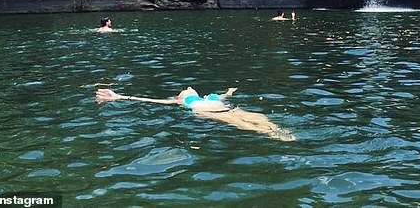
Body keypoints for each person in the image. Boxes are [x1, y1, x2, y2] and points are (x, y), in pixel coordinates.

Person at [95, 86, 295, 141]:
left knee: (259, 117)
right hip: (209, 113)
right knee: (242, 123)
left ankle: (279, 130)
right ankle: (273, 134)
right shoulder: (181, 100)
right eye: (185, 88)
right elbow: (151, 101)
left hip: (226, 107)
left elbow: (224, 97)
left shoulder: (210, 96)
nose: (188, 87)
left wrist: (229, 92)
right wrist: (119, 96)